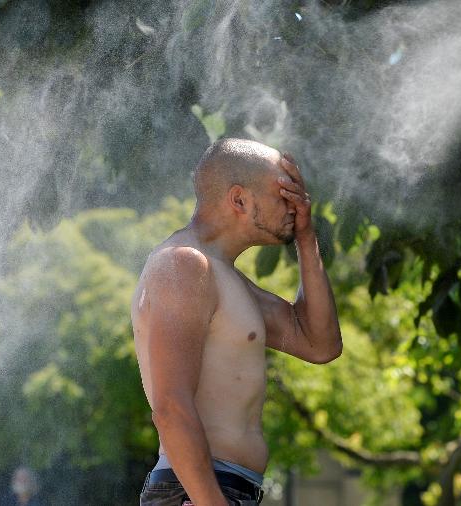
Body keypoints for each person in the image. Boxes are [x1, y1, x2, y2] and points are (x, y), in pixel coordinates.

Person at [131, 138, 343, 505]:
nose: (295, 206)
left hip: (222, 488)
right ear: (240, 200)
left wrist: (307, 238)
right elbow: (170, 406)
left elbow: (320, 344)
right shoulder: (184, 264)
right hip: (197, 491)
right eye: (284, 195)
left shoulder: (224, 277)